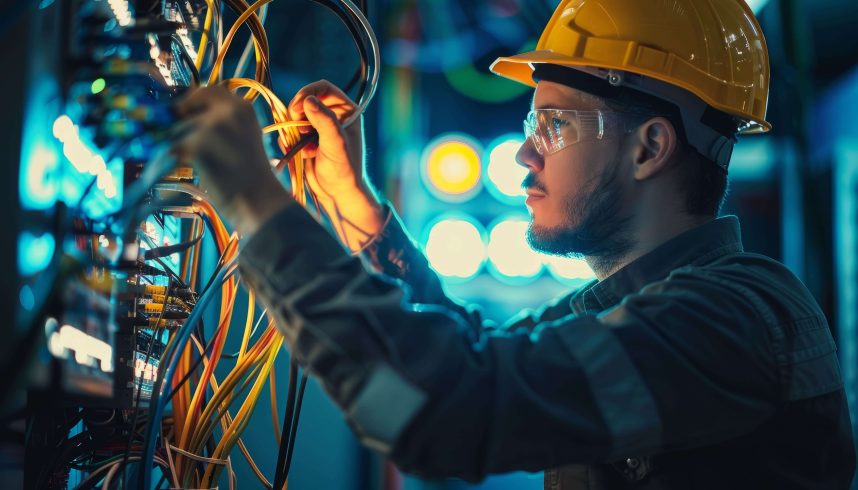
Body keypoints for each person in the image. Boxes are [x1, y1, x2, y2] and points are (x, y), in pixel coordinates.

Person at [172, 0, 856, 488]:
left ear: (650, 148)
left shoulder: (732, 322)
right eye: (532, 124)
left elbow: (444, 410)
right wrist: (357, 205)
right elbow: (466, 354)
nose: (525, 154)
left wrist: (259, 206)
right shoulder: (634, 307)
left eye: (553, 126)